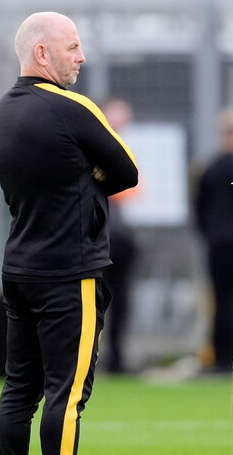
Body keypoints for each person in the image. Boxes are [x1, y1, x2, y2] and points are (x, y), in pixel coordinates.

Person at [0, 12, 138, 455]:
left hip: (19, 269)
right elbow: (127, 172)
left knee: (18, 392)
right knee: (66, 395)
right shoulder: (71, 107)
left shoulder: (1, 111)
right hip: (68, 274)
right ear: (42, 53)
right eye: (72, 47)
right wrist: (90, 176)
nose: (81, 57)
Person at [194, 107, 233, 374]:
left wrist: (207, 235)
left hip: (215, 244)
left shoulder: (210, 167)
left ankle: (219, 356)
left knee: (221, 301)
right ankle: (229, 357)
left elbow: (198, 208)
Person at [99, 97, 140, 374]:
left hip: (119, 238)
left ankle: (115, 357)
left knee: (119, 301)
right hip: (102, 238)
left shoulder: (120, 148)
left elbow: (133, 188)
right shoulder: (101, 146)